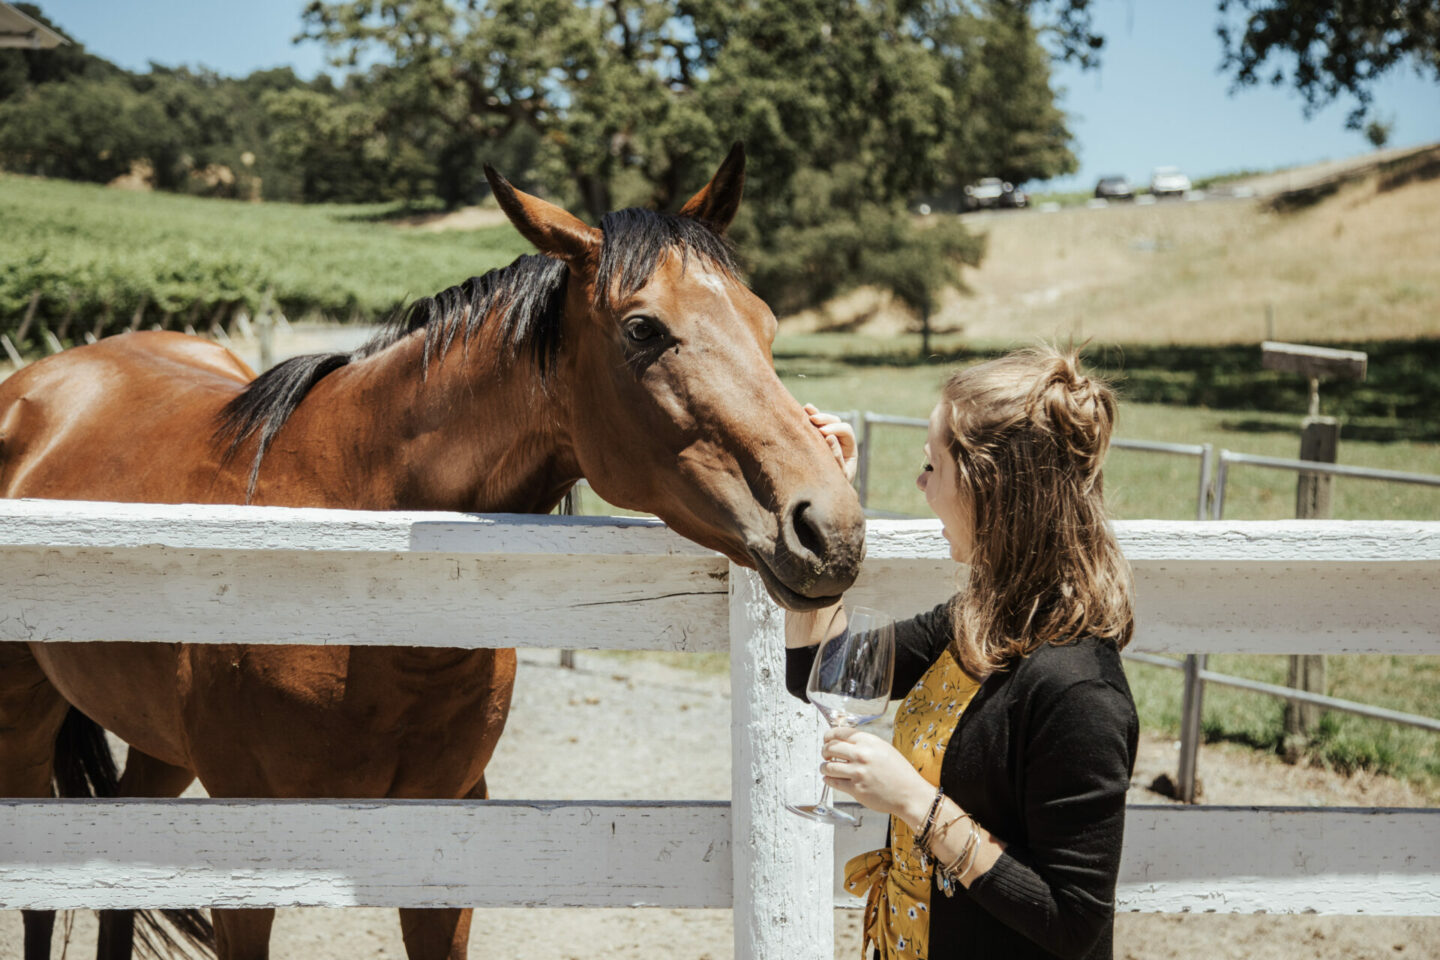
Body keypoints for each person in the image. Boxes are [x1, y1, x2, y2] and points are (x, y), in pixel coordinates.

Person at [789, 347, 1138, 960]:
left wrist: (914, 803)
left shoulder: (1080, 692)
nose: (920, 486)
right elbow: (820, 667)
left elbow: (1073, 923)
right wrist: (826, 495)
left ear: (990, 488)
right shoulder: (979, 621)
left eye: (933, 467)